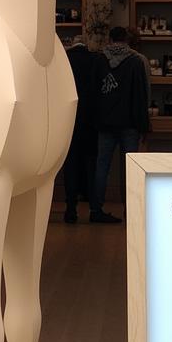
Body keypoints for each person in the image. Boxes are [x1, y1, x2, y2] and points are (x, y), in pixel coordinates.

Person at [89, 26, 151, 223]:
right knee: (129, 169)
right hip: (129, 123)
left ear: (110, 38)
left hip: (105, 123)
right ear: (126, 39)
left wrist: (96, 119)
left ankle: (96, 210)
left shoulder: (99, 60)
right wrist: (144, 125)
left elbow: (93, 93)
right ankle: (130, 211)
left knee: (102, 167)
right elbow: (140, 95)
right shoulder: (135, 61)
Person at [62, 36, 101, 224]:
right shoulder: (95, 60)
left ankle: (70, 208)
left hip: (68, 120)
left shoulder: (64, 59)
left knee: (70, 164)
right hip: (91, 120)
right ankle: (94, 208)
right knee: (92, 165)